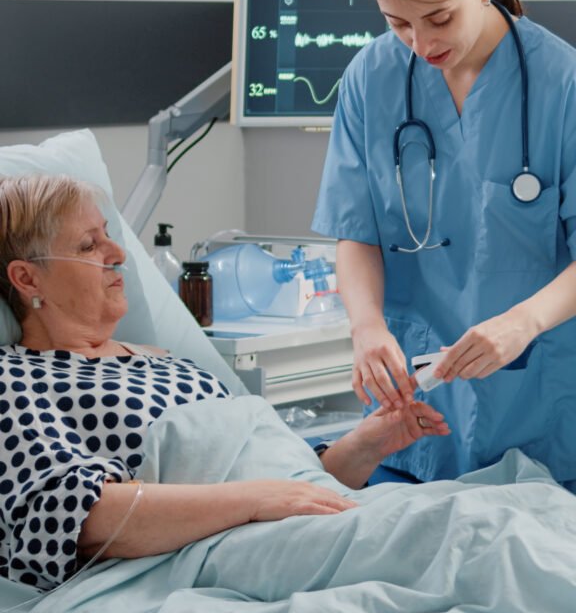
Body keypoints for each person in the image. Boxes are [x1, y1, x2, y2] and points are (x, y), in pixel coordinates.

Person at [0, 173, 449, 591]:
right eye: (87, 245)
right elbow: (72, 517)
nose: (117, 254)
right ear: (26, 278)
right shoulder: (16, 378)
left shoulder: (166, 362)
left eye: (108, 235)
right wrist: (251, 501)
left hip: (295, 523)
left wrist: (368, 444)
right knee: (451, 548)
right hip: (224, 552)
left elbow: (286, 487)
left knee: (472, 523)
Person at [312, 0, 576, 488]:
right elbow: (358, 231)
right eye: (398, 23)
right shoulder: (370, 80)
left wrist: (522, 323)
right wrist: (366, 327)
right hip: (419, 402)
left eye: (438, 18)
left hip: (539, 394)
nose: (420, 44)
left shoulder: (563, 85)